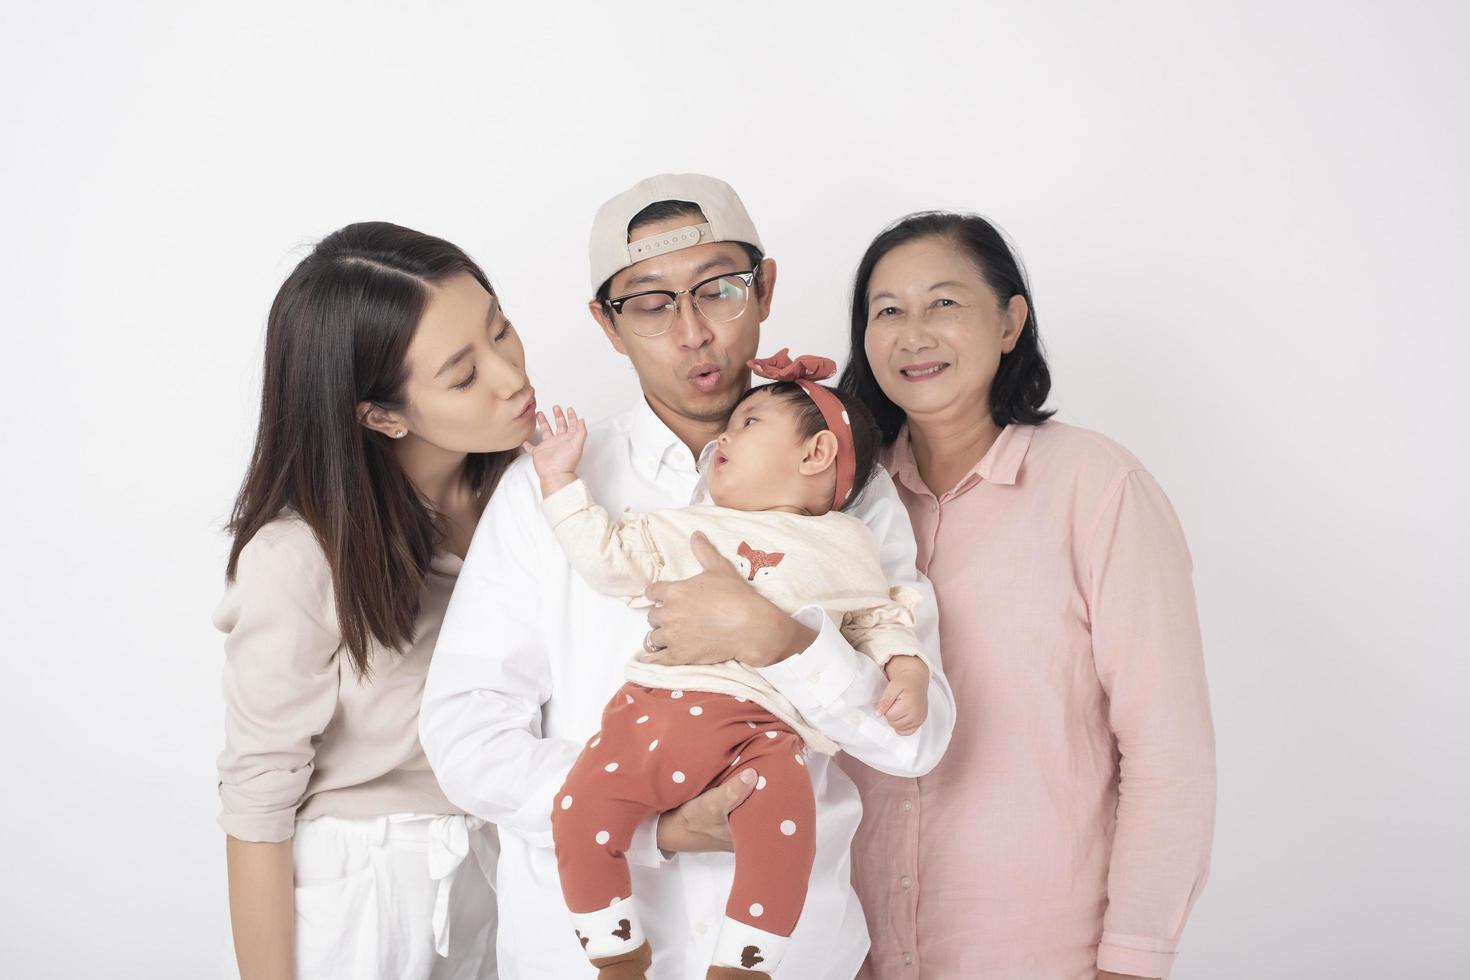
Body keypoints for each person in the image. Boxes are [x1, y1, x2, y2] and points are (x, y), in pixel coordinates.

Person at [420, 174, 955, 979]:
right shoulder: (553, 488)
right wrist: (653, 825)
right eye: (650, 303)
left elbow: (915, 742)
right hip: (571, 958)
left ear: (765, 288)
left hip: (793, 958)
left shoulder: (843, 487)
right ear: (607, 323)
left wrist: (778, 640)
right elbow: (466, 735)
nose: (694, 331)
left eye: (720, 289)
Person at [837, 211, 1216, 980]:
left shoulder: (1097, 487)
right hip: (850, 950)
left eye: (944, 303)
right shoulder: (837, 508)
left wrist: (1132, 961)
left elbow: (1168, 749)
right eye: (888, 311)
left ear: (1011, 322)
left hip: (1041, 953)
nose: (914, 334)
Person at [532, 350, 932, 979]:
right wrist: (560, 483)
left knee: (785, 828)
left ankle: (745, 966)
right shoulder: (684, 525)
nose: (724, 435)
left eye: (748, 423)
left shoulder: (845, 545)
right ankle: (617, 956)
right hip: (650, 715)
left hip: (760, 732)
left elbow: (877, 620)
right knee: (578, 810)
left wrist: (906, 670)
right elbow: (607, 558)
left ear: (816, 455)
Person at [217, 222, 528, 980]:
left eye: (501, 330)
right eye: (463, 375)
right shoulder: (298, 556)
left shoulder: (533, 497)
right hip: (370, 888)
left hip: (507, 867)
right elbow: (257, 797)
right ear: (381, 414)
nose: (511, 375)